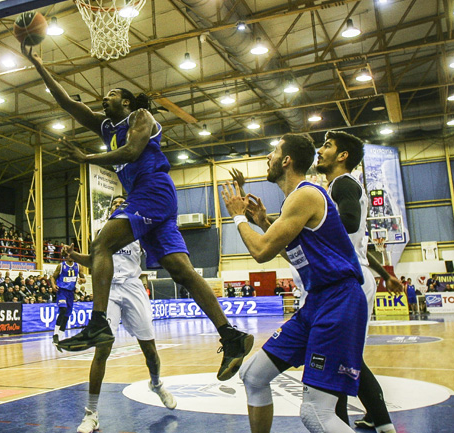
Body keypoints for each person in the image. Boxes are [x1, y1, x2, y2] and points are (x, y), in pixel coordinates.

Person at [22, 42, 252, 380]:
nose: (105, 97)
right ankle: (231, 336)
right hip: (152, 198)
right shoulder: (105, 128)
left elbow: (131, 152)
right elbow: (67, 103)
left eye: (112, 93)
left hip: (152, 191)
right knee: (181, 271)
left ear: (126, 102)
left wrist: (88, 159)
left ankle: (98, 323)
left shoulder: (141, 117)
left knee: (102, 245)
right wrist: (38, 64)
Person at [221, 134, 366, 433]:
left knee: (315, 413)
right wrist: (263, 222)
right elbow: (295, 254)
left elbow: (261, 252)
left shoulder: (305, 194)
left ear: (286, 160)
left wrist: (238, 218)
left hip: (339, 301)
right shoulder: (295, 201)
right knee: (253, 376)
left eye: (274, 152)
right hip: (317, 302)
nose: (269, 157)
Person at [314, 130, 401, 433]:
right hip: (358, 273)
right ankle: (378, 418)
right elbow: (359, 241)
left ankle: (358, 423)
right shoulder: (346, 186)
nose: (320, 150)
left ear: (342, 156)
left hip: (349, 279)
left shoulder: (342, 183)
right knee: (347, 357)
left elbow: (349, 222)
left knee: (341, 358)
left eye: (327, 145)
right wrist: (387, 275)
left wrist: (314, 225)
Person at [65, 196, 176, 433]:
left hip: (133, 287)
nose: (119, 204)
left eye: (123, 201)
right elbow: (94, 260)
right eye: (115, 202)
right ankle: (91, 414)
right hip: (109, 289)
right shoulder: (102, 232)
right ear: (110, 210)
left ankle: (156, 384)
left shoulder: (139, 229)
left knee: (150, 350)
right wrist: (74, 256)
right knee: (101, 348)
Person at [50, 250, 85, 346]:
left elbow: (84, 279)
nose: (70, 256)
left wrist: (82, 280)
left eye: (72, 255)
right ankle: (55, 334)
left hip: (71, 292)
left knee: (66, 315)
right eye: (68, 255)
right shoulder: (61, 266)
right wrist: (53, 285)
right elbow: (53, 277)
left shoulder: (78, 266)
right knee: (63, 309)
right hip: (62, 291)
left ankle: (59, 337)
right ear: (65, 256)